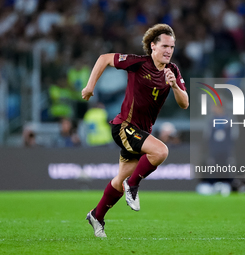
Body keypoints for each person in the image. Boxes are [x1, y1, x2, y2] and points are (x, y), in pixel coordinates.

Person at [81, 24, 189, 237]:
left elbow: (185, 104)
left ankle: (97, 215)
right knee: (160, 151)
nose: (169, 50)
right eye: (165, 46)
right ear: (153, 46)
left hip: (141, 133)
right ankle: (134, 185)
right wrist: (90, 86)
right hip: (124, 127)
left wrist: (175, 86)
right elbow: (104, 58)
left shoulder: (173, 71)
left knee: (118, 182)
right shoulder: (139, 63)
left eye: (172, 47)